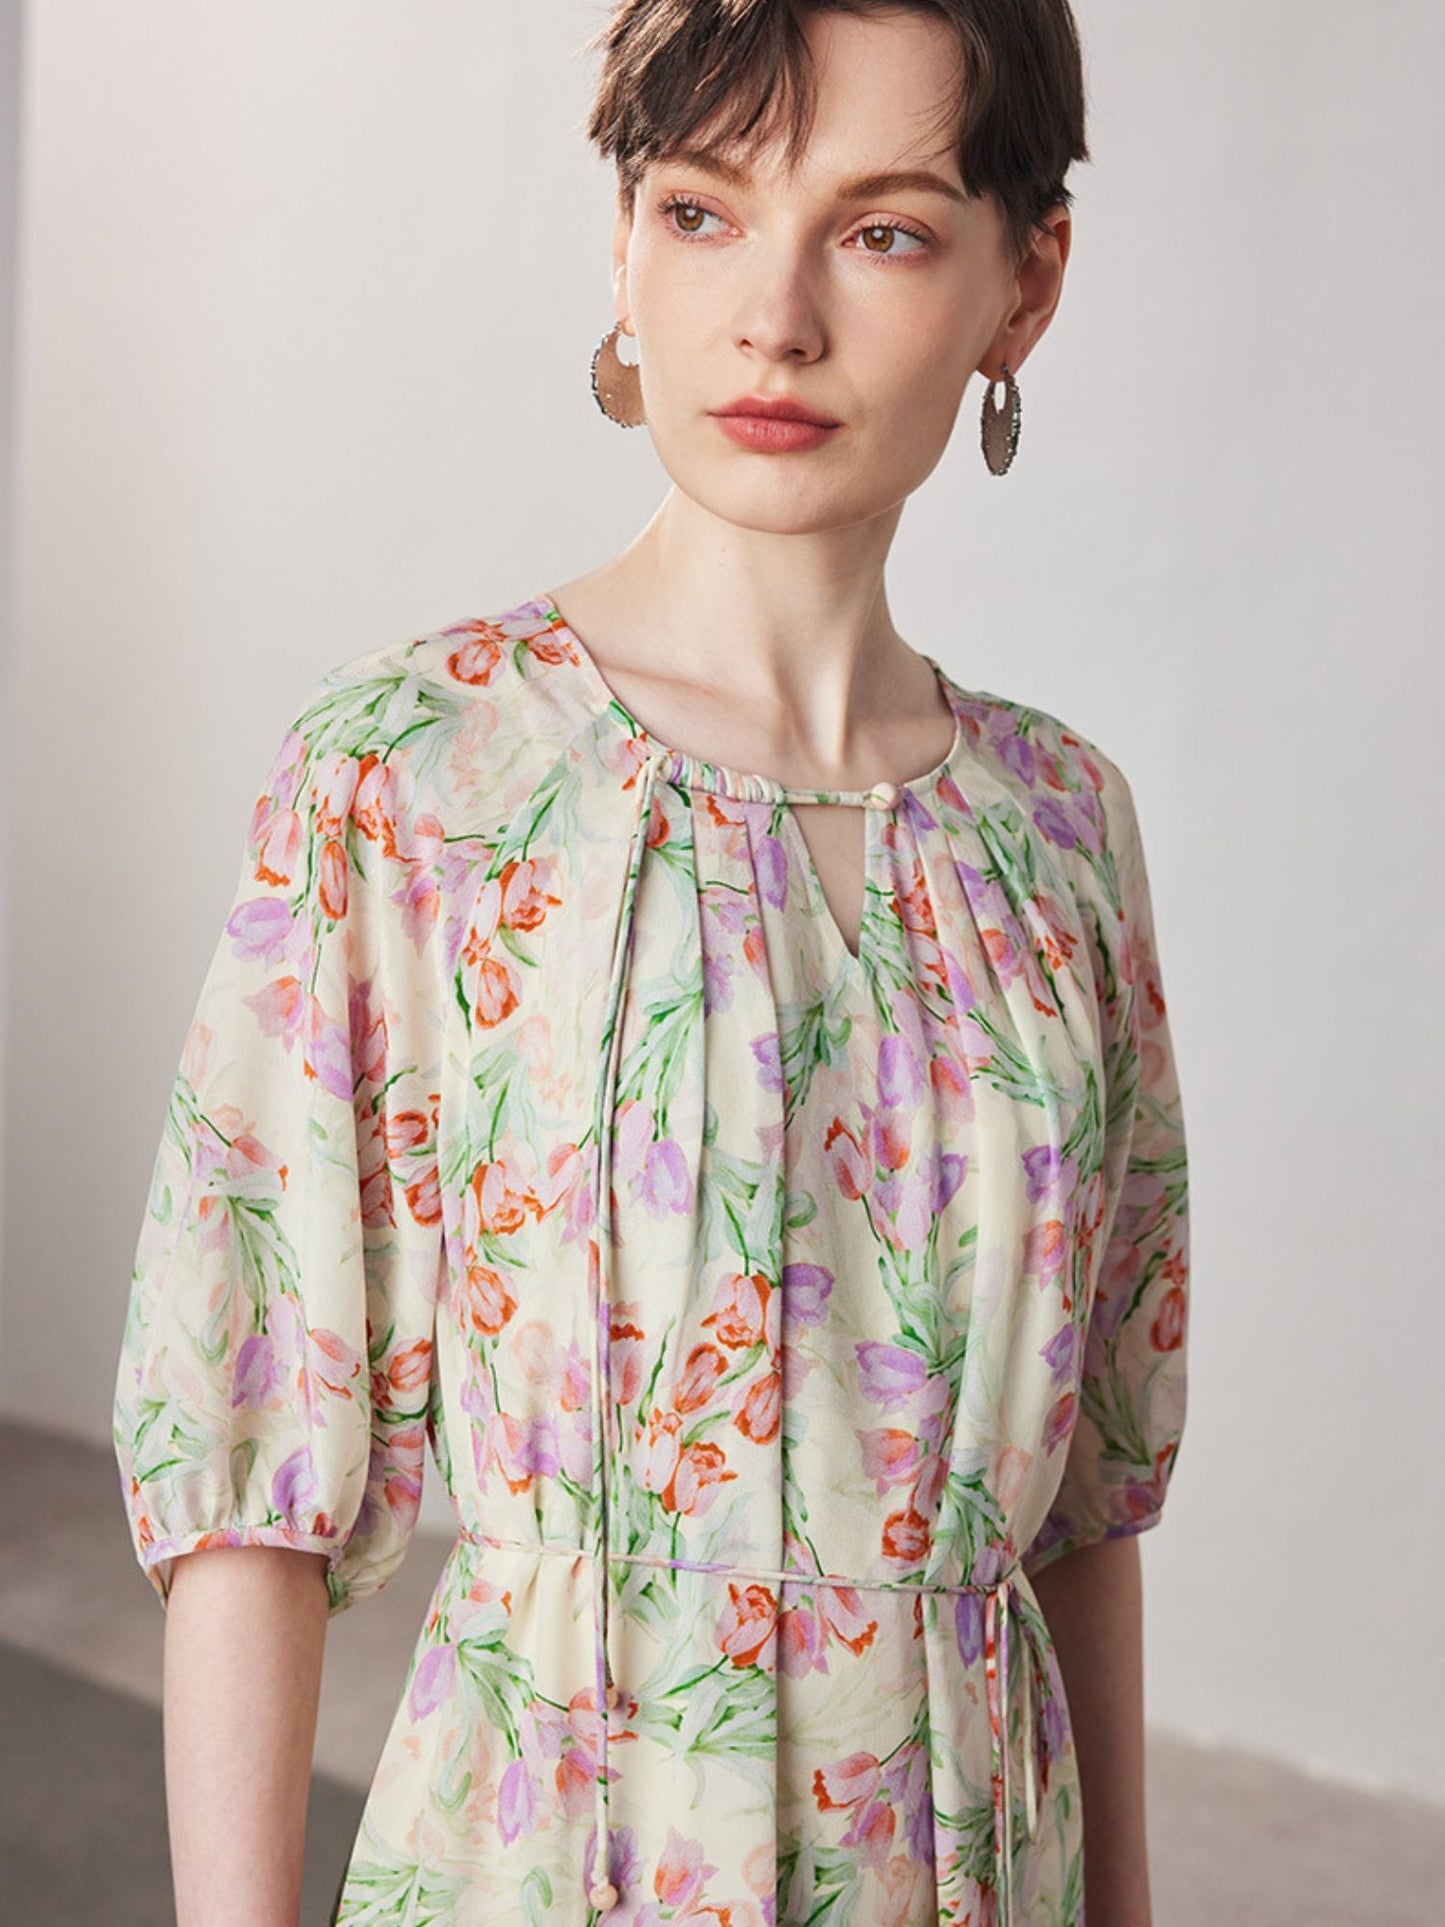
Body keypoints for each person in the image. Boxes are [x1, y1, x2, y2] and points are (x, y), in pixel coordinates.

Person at [111, 3, 1191, 1924]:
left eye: (881, 231)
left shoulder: (1060, 830)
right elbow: (249, 1472)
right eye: (702, 212)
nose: (771, 318)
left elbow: (1083, 1505)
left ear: (1023, 286)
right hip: (549, 1866)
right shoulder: (420, 772)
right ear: (624, 243)